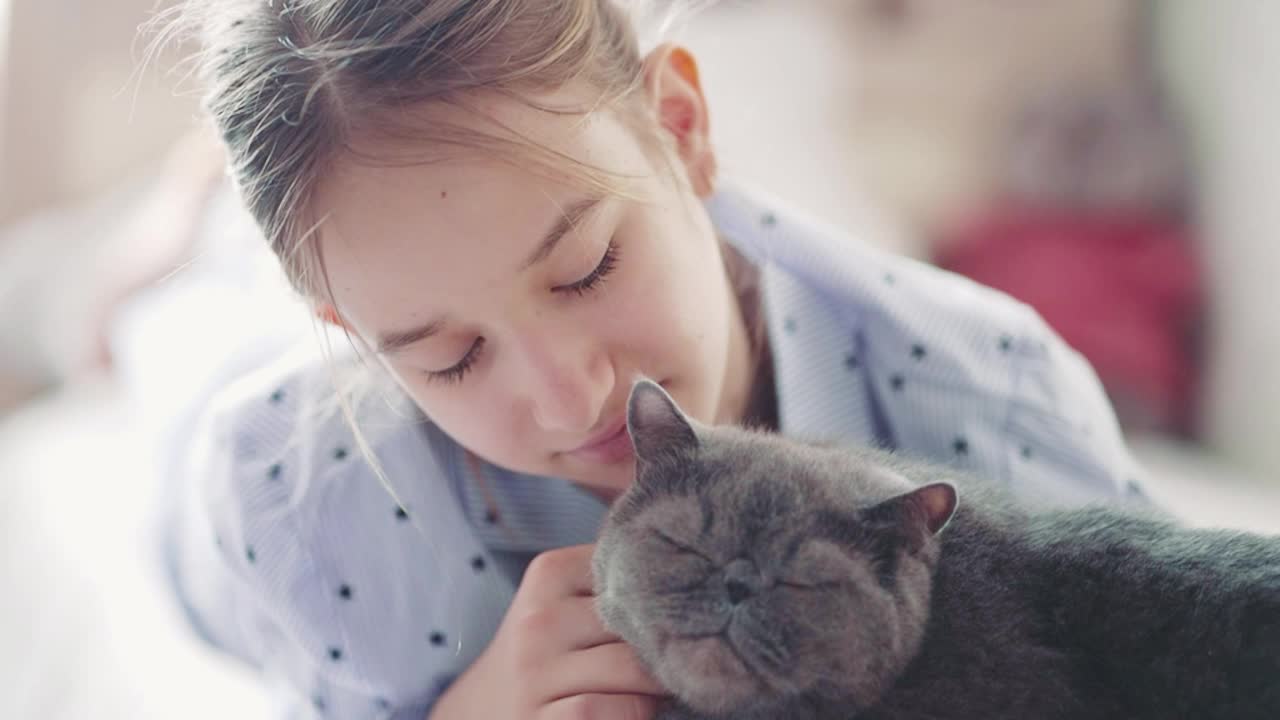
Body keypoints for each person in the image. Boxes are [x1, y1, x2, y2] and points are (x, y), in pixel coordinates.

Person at [159, 1, 1149, 718]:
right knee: (145, 313)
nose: (567, 400)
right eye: (452, 357)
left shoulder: (992, 400)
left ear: (681, 129)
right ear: (361, 343)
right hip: (214, 418)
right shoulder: (301, 500)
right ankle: (157, 236)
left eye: (587, 269)